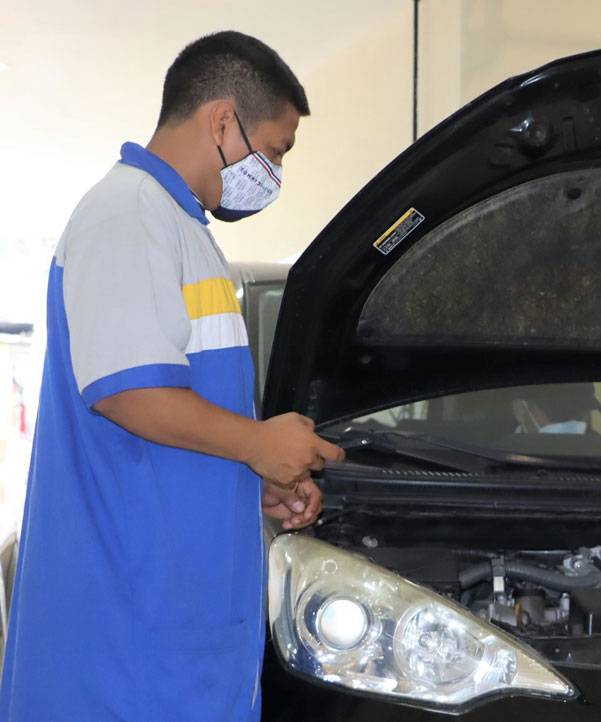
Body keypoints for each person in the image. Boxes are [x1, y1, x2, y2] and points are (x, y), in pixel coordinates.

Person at [0, 31, 344, 721]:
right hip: (124, 652)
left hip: (170, 644)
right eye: (275, 150)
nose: (273, 172)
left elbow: (176, 429)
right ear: (222, 121)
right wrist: (257, 445)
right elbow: (128, 393)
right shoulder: (127, 214)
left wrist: (249, 486)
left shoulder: (181, 229)